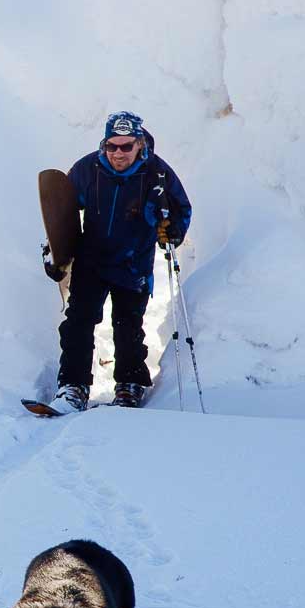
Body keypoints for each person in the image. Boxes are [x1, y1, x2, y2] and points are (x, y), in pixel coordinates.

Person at [45, 111, 192, 413]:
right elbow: (64, 212)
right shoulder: (88, 169)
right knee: (78, 323)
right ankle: (72, 387)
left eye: (126, 146)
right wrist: (56, 252)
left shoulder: (157, 174)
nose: (118, 153)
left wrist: (172, 231)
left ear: (139, 143)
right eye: (112, 146)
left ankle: (130, 384)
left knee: (127, 327)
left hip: (133, 263)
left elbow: (181, 210)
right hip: (92, 259)